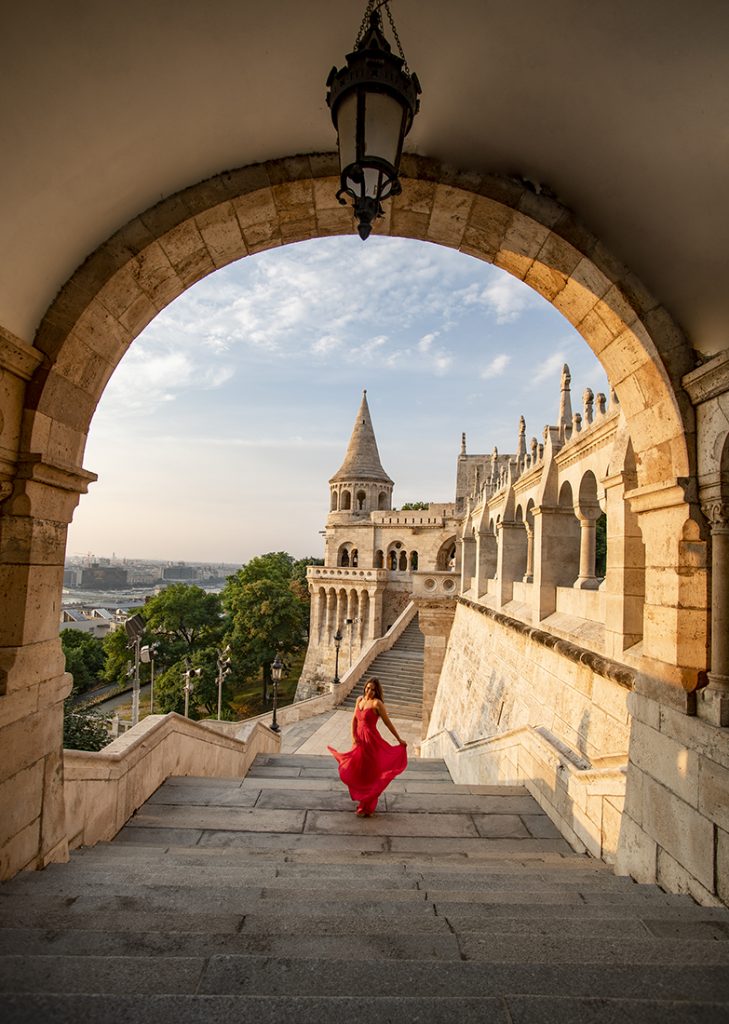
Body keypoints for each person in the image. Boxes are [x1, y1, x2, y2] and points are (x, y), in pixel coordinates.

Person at [328, 677, 407, 816]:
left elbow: (388, 723)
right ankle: (363, 801)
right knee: (357, 770)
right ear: (365, 687)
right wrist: (353, 737)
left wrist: (399, 739)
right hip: (359, 742)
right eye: (368, 688)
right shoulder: (360, 700)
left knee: (370, 774)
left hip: (371, 742)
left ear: (376, 691)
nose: (369, 691)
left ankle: (366, 806)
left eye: (372, 689)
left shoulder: (377, 704)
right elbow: (354, 720)